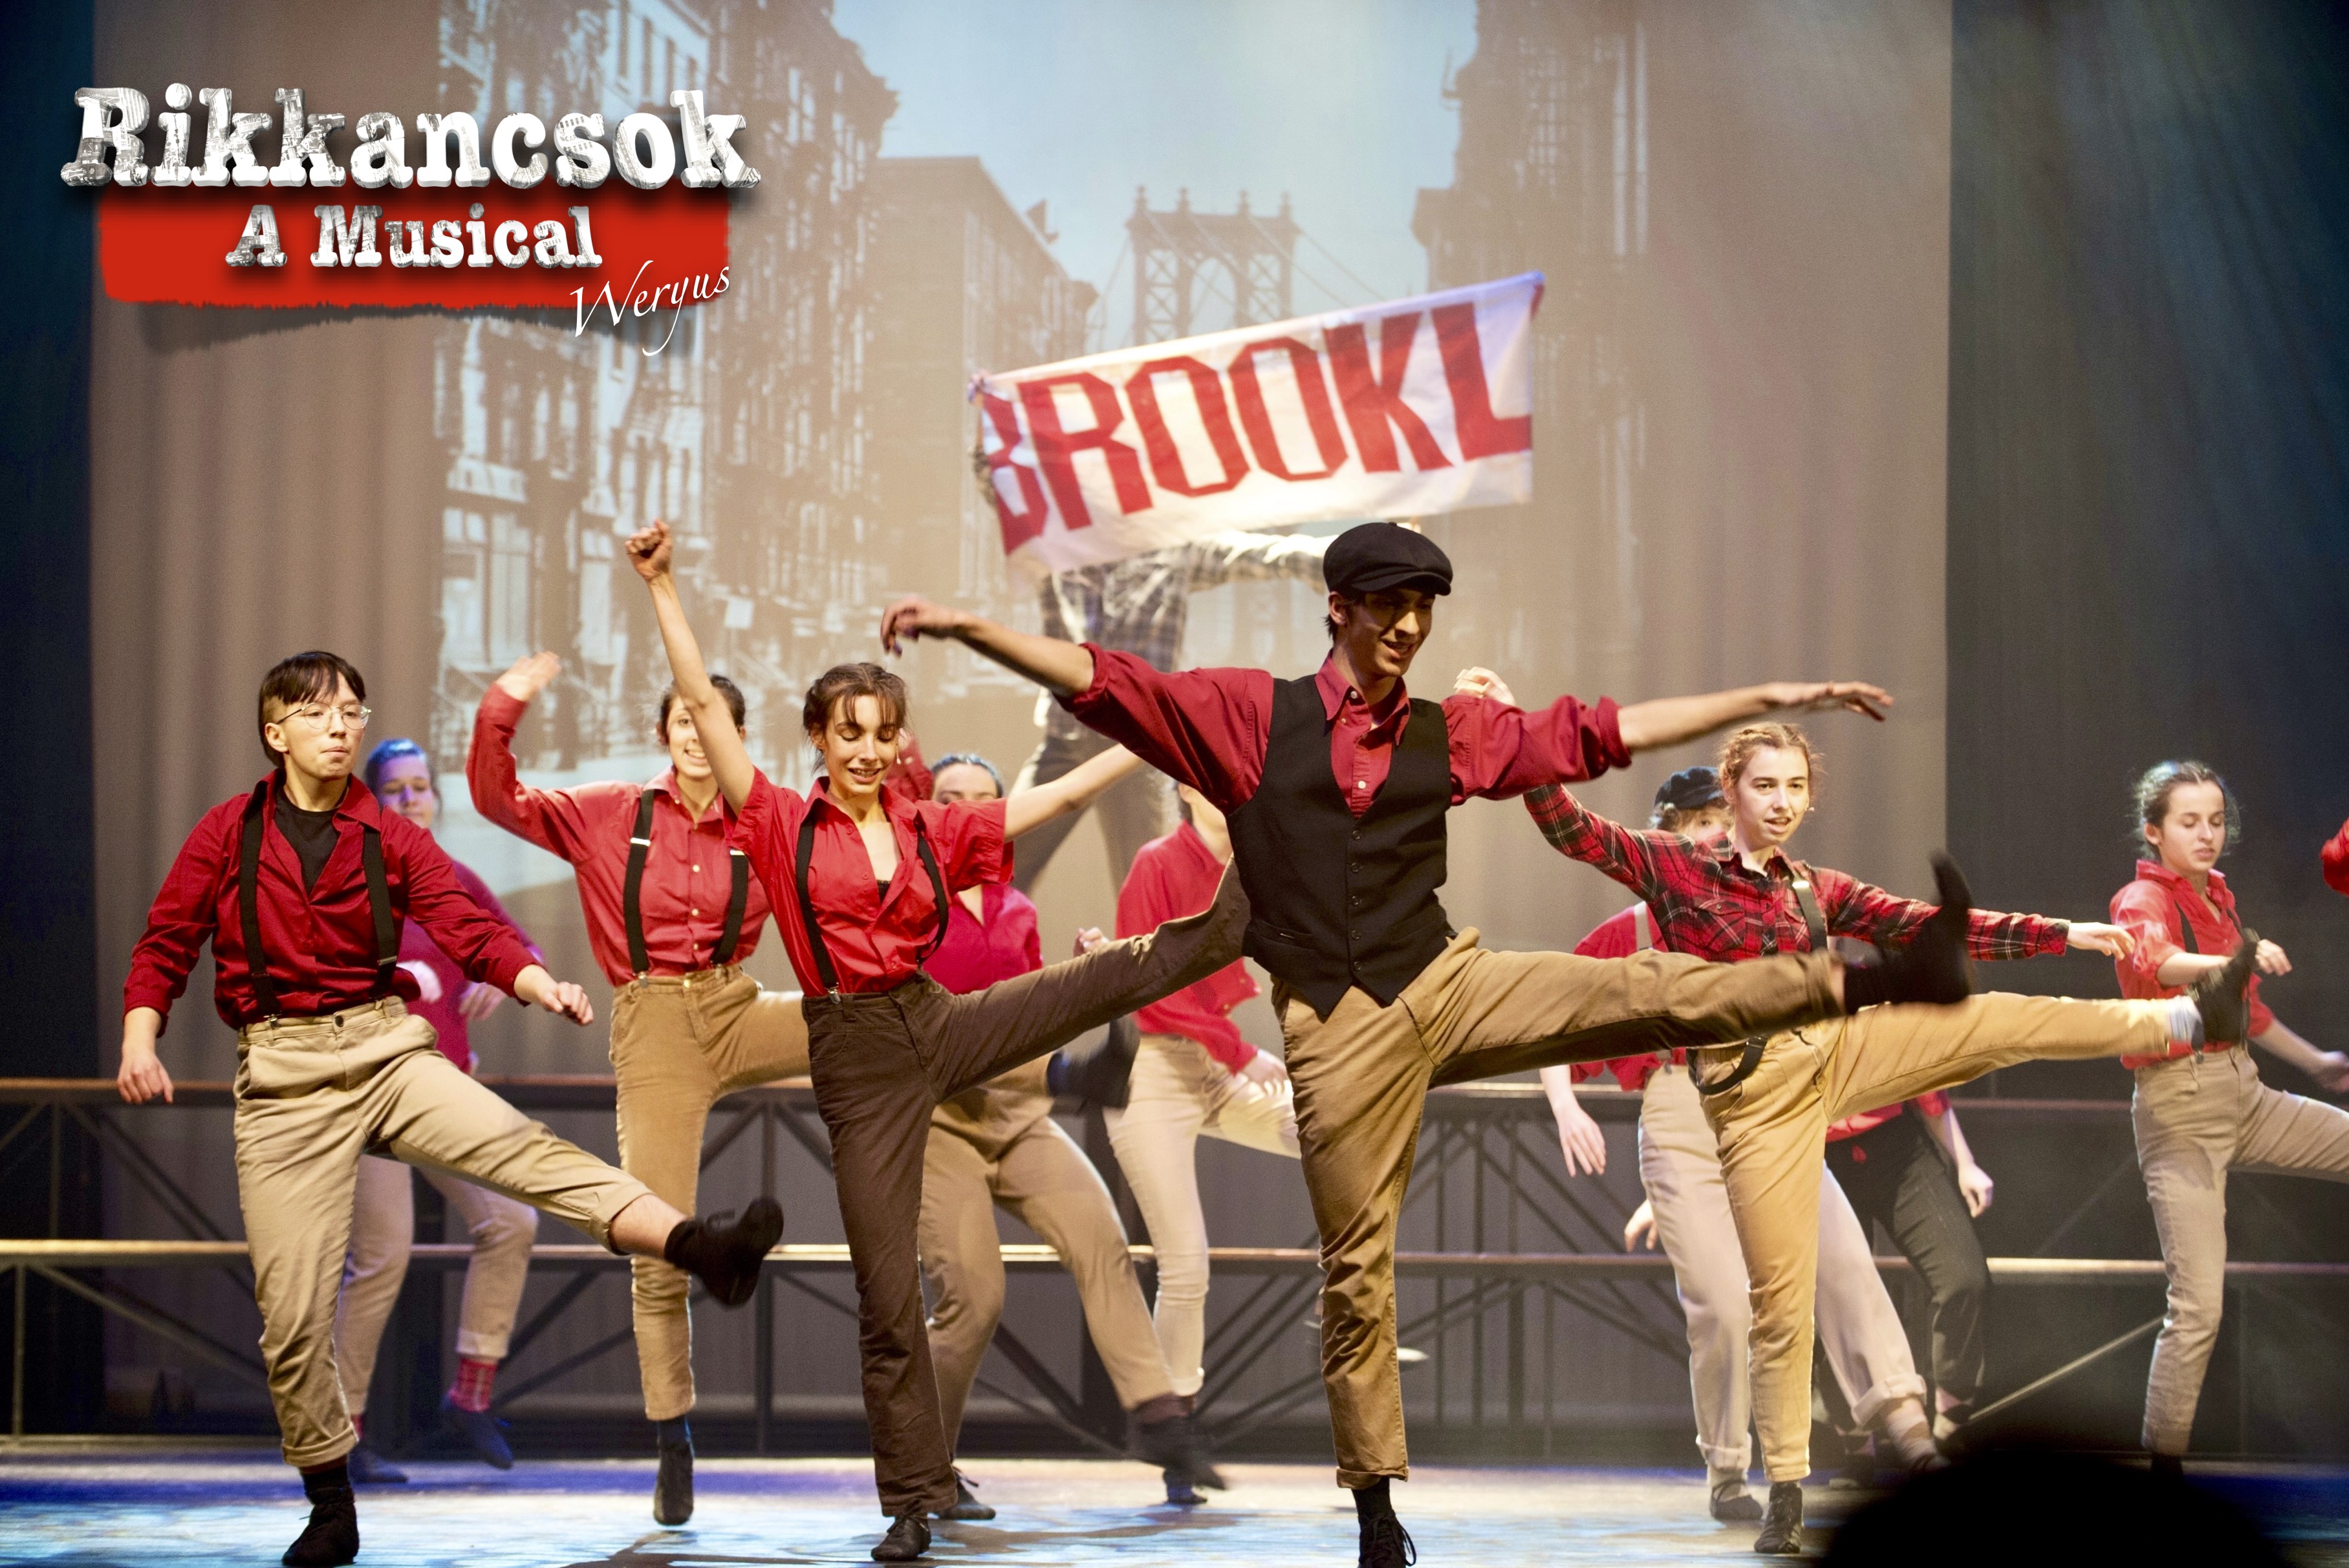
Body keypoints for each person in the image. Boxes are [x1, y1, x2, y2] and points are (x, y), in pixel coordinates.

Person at [878, 520, 1976, 1568]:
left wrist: (1778, 697)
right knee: (1358, 1273)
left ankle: (1888, 974)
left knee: (1643, 987)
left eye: (1423, 609)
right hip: (1336, 1028)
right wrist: (967, 626)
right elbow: (1101, 680)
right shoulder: (1250, 714)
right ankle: (1375, 1510)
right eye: (1388, 607)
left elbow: (1602, 731)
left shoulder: (1450, 731)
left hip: (1442, 983)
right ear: (1338, 608)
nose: (1408, 627)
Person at [630, 521, 1251, 1563]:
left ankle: (1236, 918)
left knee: (1092, 978)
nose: (868, 749)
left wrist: (1151, 743)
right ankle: (915, 1496)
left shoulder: (927, 825)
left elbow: (1052, 798)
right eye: (849, 732)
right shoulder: (778, 820)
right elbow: (699, 698)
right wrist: (663, 587)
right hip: (857, 1057)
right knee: (888, 1298)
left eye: (884, 731)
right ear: (819, 737)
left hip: (936, 1020)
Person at [1511, 702, 2250, 1554]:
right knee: (1779, 1300)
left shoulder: (1811, 886)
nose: (1781, 802)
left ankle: (2182, 1019)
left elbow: (1923, 925)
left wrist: (2061, 934)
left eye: (1795, 787)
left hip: (1830, 1056)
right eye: (1765, 786)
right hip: (1751, 1099)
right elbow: (1569, 827)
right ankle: (1783, 1489)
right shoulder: (1676, 867)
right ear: (1733, 789)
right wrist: (1520, 733)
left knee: (1987, 1019)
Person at [117, 651, 783, 1568]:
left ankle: (701, 1248)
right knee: (292, 1316)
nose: (340, 726)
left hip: (384, 1049)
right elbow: (167, 939)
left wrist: (537, 982)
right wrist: (139, 1041)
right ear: (276, 732)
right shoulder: (229, 831)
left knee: (529, 1155)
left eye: (352, 710)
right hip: (282, 1075)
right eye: (318, 713)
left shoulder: (387, 835)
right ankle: (331, 1503)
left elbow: (467, 921)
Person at [1536, 766, 1939, 1525]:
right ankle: (1726, 1467)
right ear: (1664, 840)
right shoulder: (1629, 933)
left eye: (1721, 825)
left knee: (1843, 1262)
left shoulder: (1766, 912)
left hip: (1771, 1106)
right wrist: (1564, 1105)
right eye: (1697, 827)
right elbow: (1554, 1022)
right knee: (1723, 1308)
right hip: (1680, 1112)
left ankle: (1909, 1430)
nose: (1714, 839)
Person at [469, 653, 802, 1527]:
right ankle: (673, 1436)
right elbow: (498, 798)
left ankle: (1039, 1067)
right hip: (653, 1021)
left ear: (736, 736)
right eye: (684, 720)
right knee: (660, 1234)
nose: (697, 735)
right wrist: (506, 703)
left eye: (713, 722)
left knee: (865, 1020)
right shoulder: (609, 811)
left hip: (738, 1003)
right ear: (664, 731)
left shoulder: (767, 817)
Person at [918, 753, 1209, 1521]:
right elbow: (941, 1035)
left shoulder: (1015, 909)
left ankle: (1160, 1421)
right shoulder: (907, 903)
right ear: (927, 811)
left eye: (985, 799)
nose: (969, 812)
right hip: (937, 1123)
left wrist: (1081, 982)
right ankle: (925, 1467)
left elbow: (1024, 1020)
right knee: (973, 1297)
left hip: (1015, 1113)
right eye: (950, 799)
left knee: (1099, 1234)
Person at [2108, 761, 2349, 1479]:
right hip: (2179, 1106)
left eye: (2214, 821)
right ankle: (2163, 1465)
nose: (2206, 834)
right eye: (2189, 822)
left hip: (2243, 1090)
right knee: (2198, 1307)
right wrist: (2237, 956)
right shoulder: (2140, 898)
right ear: (2154, 831)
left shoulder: (2216, 896)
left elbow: (2250, 1009)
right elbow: (2155, 962)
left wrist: (2316, 1063)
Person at [332, 739, 543, 1484]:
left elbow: (520, 945)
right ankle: (340, 1437)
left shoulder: (452, 878)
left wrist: (507, 976)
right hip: (374, 1096)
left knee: (511, 1220)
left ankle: (469, 1395)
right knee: (383, 1256)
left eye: (421, 787)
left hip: (445, 1092)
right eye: (395, 789)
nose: (412, 799)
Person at [1103, 780, 1301, 1437]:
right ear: (1188, 788)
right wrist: (1240, 1051)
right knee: (1186, 1266)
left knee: (1330, 1134)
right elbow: (1151, 988)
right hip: (1155, 1074)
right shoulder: (1157, 862)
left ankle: (1348, 1285)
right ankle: (1173, 1427)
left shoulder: (1252, 868)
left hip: (1213, 1067)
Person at [1012, 528, 1332, 896]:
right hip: (1067, 734)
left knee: (1152, 880)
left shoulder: (1171, 551)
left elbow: (1268, 554)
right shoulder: (1057, 544)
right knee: (1001, 861)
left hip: (1137, 742)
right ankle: (972, 931)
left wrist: (1358, 554)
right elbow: (1006, 494)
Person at [1822, 1091, 1994, 1447]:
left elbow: (1929, 1091)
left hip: (1898, 1149)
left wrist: (1966, 1163)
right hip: (1816, 1157)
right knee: (1833, 1301)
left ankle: (1952, 1414)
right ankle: (1854, 1434)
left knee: (1964, 1279)